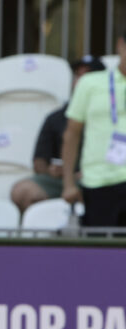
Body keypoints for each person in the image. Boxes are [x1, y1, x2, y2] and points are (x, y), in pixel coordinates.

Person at [10, 56, 105, 212]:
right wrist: (52, 171)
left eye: (87, 76)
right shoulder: (55, 118)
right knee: (23, 191)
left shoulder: (114, 116)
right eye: (77, 76)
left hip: (99, 180)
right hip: (59, 181)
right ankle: (49, 231)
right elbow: (39, 161)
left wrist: (89, 173)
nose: (80, 81)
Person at [62, 31, 126, 226]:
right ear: (120, 45)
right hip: (97, 181)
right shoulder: (90, 83)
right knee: (102, 253)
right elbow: (72, 134)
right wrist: (68, 184)